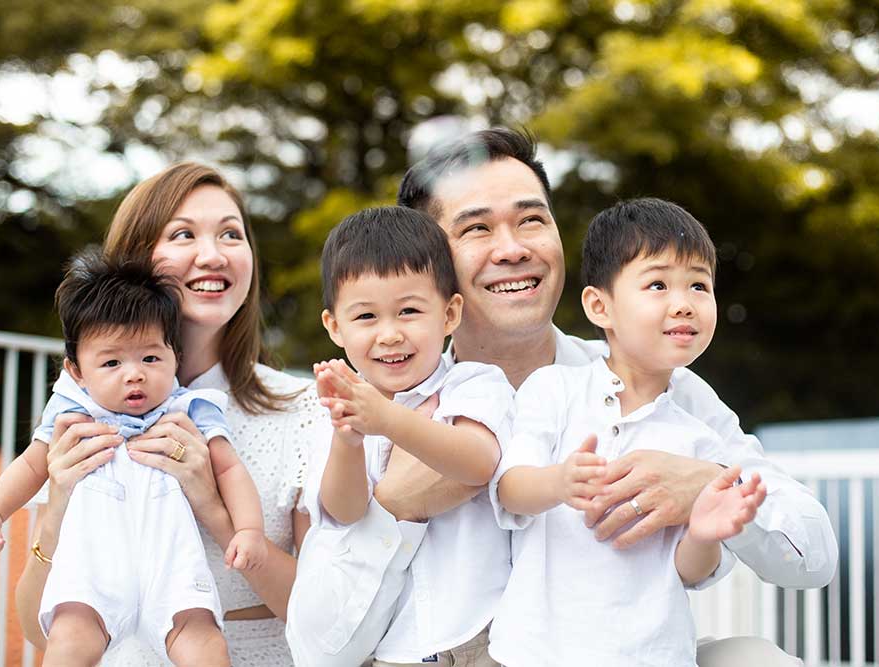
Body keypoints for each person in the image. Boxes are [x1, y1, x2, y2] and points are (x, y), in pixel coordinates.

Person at [292, 128, 836, 664]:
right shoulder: (377, 415)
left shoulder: (660, 383)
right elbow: (318, 651)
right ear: (431, 263)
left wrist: (704, 483)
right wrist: (392, 509)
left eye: (532, 220)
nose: (513, 249)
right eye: (477, 229)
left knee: (754, 659)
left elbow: (813, 558)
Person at [14, 162, 327, 666]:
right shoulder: (83, 409)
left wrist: (214, 507)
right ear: (137, 260)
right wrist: (55, 515)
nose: (213, 255)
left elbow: (325, 617)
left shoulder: (304, 411)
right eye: (183, 234)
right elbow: (37, 630)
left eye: (231, 234)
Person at [490, 198, 771, 666]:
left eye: (699, 285)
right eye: (658, 283)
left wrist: (703, 534)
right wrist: (559, 481)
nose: (684, 303)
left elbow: (685, 572)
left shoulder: (699, 438)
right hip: (539, 652)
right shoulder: (556, 389)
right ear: (600, 306)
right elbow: (509, 490)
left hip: (654, 654)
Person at [0, 249, 266, 665]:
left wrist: (249, 530)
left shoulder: (191, 409)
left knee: (204, 643)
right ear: (77, 371)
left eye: (150, 357)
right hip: (94, 573)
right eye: (112, 361)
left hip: (172, 571)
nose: (134, 373)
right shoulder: (73, 415)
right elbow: (30, 463)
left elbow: (229, 467)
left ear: (175, 358)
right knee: (68, 641)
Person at [287, 206, 514, 667]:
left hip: (479, 637)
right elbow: (344, 512)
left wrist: (388, 421)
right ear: (334, 326)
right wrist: (349, 440)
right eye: (366, 317)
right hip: (392, 648)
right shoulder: (335, 408)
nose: (390, 335)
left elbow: (477, 462)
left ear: (449, 313)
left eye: (409, 311)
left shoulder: (473, 384)